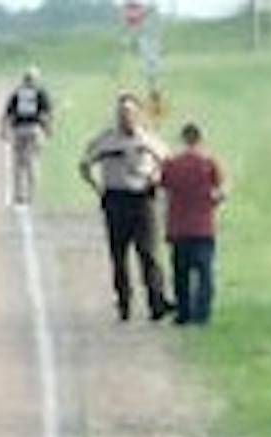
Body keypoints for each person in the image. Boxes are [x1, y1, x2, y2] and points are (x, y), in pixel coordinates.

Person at [78, 93, 172, 323]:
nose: (125, 117)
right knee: (119, 255)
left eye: (130, 113)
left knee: (148, 253)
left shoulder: (148, 139)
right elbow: (84, 164)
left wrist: (156, 178)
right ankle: (124, 302)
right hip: (116, 198)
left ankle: (156, 302)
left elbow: (167, 162)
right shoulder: (106, 140)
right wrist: (97, 187)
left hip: (142, 199)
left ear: (138, 115)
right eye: (121, 113)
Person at [160, 122, 227, 326]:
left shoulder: (171, 164)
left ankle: (184, 312)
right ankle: (202, 314)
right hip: (203, 227)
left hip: (178, 227)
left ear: (183, 139)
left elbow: (162, 185)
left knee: (181, 274)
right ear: (200, 140)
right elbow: (221, 191)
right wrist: (213, 202)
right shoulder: (209, 163)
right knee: (204, 274)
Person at [1, 67, 54, 208]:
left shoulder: (17, 93)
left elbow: (8, 114)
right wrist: (48, 130)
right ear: (36, 79)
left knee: (18, 164)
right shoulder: (40, 93)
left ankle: (18, 195)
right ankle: (31, 196)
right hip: (34, 130)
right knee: (33, 163)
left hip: (18, 130)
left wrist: (4, 130)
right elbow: (46, 115)